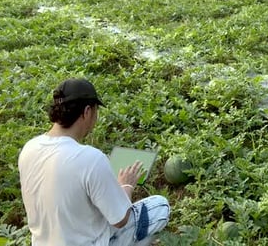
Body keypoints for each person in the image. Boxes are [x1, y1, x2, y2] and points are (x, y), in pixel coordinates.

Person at [18, 78, 170, 246]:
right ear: (87, 111)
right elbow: (120, 220)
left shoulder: (29, 149)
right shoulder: (91, 158)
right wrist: (126, 186)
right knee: (160, 206)